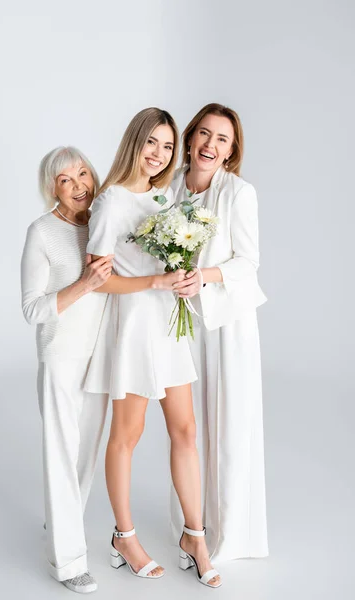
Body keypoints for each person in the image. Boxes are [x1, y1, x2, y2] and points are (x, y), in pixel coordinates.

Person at [84, 107, 222, 587]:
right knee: (128, 435)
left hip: (169, 326)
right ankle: (124, 535)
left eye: (167, 146)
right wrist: (155, 280)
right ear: (134, 143)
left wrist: (182, 279)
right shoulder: (111, 202)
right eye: (152, 144)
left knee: (185, 431)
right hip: (135, 329)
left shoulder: (164, 200)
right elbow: (98, 281)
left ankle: (194, 536)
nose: (160, 154)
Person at [170, 103, 268, 561]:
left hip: (228, 323)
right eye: (204, 134)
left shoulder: (238, 193)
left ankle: (228, 533)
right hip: (179, 323)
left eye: (222, 139)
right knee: (185, 429)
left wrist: (203, 276)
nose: (211, 145)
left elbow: (248, 262)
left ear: (230, 152)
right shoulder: (167, 191)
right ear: (189, 139)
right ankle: (193, 521)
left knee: (228, 423)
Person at [21, 146, 114, 593]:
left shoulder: (104, 224)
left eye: (82, 174)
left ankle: (63, 521)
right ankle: (68, 561)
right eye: (65, 180)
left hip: (101, 357)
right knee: (61, 452)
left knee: (84, 455)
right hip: (60, 357)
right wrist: (84, 284)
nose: (78, 186)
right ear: (52, 189)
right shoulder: (41, 232)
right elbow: (32, 309)